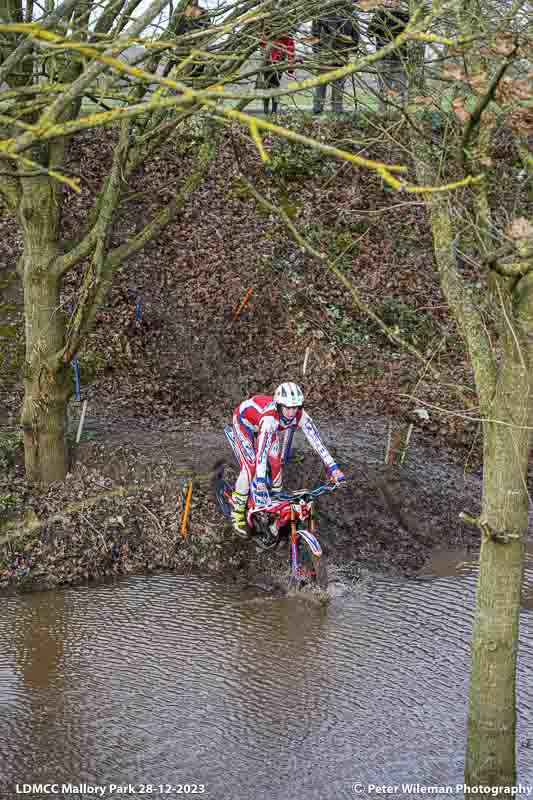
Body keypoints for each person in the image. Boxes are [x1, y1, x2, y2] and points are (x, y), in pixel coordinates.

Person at [229, 382, 346, 536]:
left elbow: (317, 443)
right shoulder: (270, 419)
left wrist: (333, 468)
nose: (291, 412)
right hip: (244, 422)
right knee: (250, 467)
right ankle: (237, 513)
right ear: (279, 405)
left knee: (276, 462)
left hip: (265, 427)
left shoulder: (301, 415)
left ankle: (276, 502)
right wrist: (261, 481)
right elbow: (262, 454)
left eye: (295, 407)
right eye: (287, 407)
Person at [311, 5, 359, 115]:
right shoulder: (321, 13)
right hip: (325, 56)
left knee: (338, 86)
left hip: (341, 56)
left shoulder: (351, 15)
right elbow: (314, 35)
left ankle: (336, 111)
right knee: (321, 85)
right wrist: (317, 52)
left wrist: (352, 55)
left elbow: (356, 39)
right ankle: (318, 110)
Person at [368, 1, 410, 111]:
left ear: (399, 2)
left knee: (400, 89)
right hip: (383, 57)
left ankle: (401, 114)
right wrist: (380, 15)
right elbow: (370, 33)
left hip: (399, 57)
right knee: (383, 89)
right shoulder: (379, 15)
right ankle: (382, 113)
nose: (390, 2)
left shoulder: (404, 16)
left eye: (395, 0)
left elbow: (411, 33)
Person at [259, 33, 295, 114]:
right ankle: (266, 109)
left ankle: (273, 110)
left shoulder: (286, 33)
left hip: (279, 61)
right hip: (267, 61)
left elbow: (290, 48)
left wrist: (290, 66)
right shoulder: (269, 28)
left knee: (275, 85)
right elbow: (261, 42)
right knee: (267, 85)